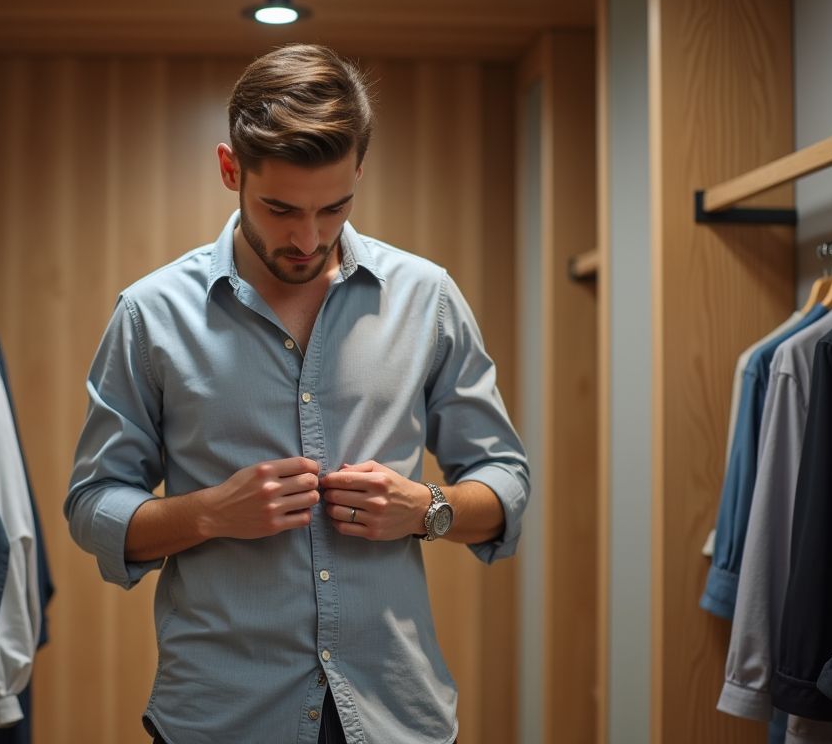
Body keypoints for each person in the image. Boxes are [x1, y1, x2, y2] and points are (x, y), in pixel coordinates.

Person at [65, 43, 530, 744]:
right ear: (231, 170)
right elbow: (92, 505)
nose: (308, 238)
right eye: (280, 208)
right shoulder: (150, 312)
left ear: (359, 174)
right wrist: (209, 513)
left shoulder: (426, 297)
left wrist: (425, 510)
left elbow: (505, 483)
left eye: (334, 208)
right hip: (220, 719)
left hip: (395, 714)